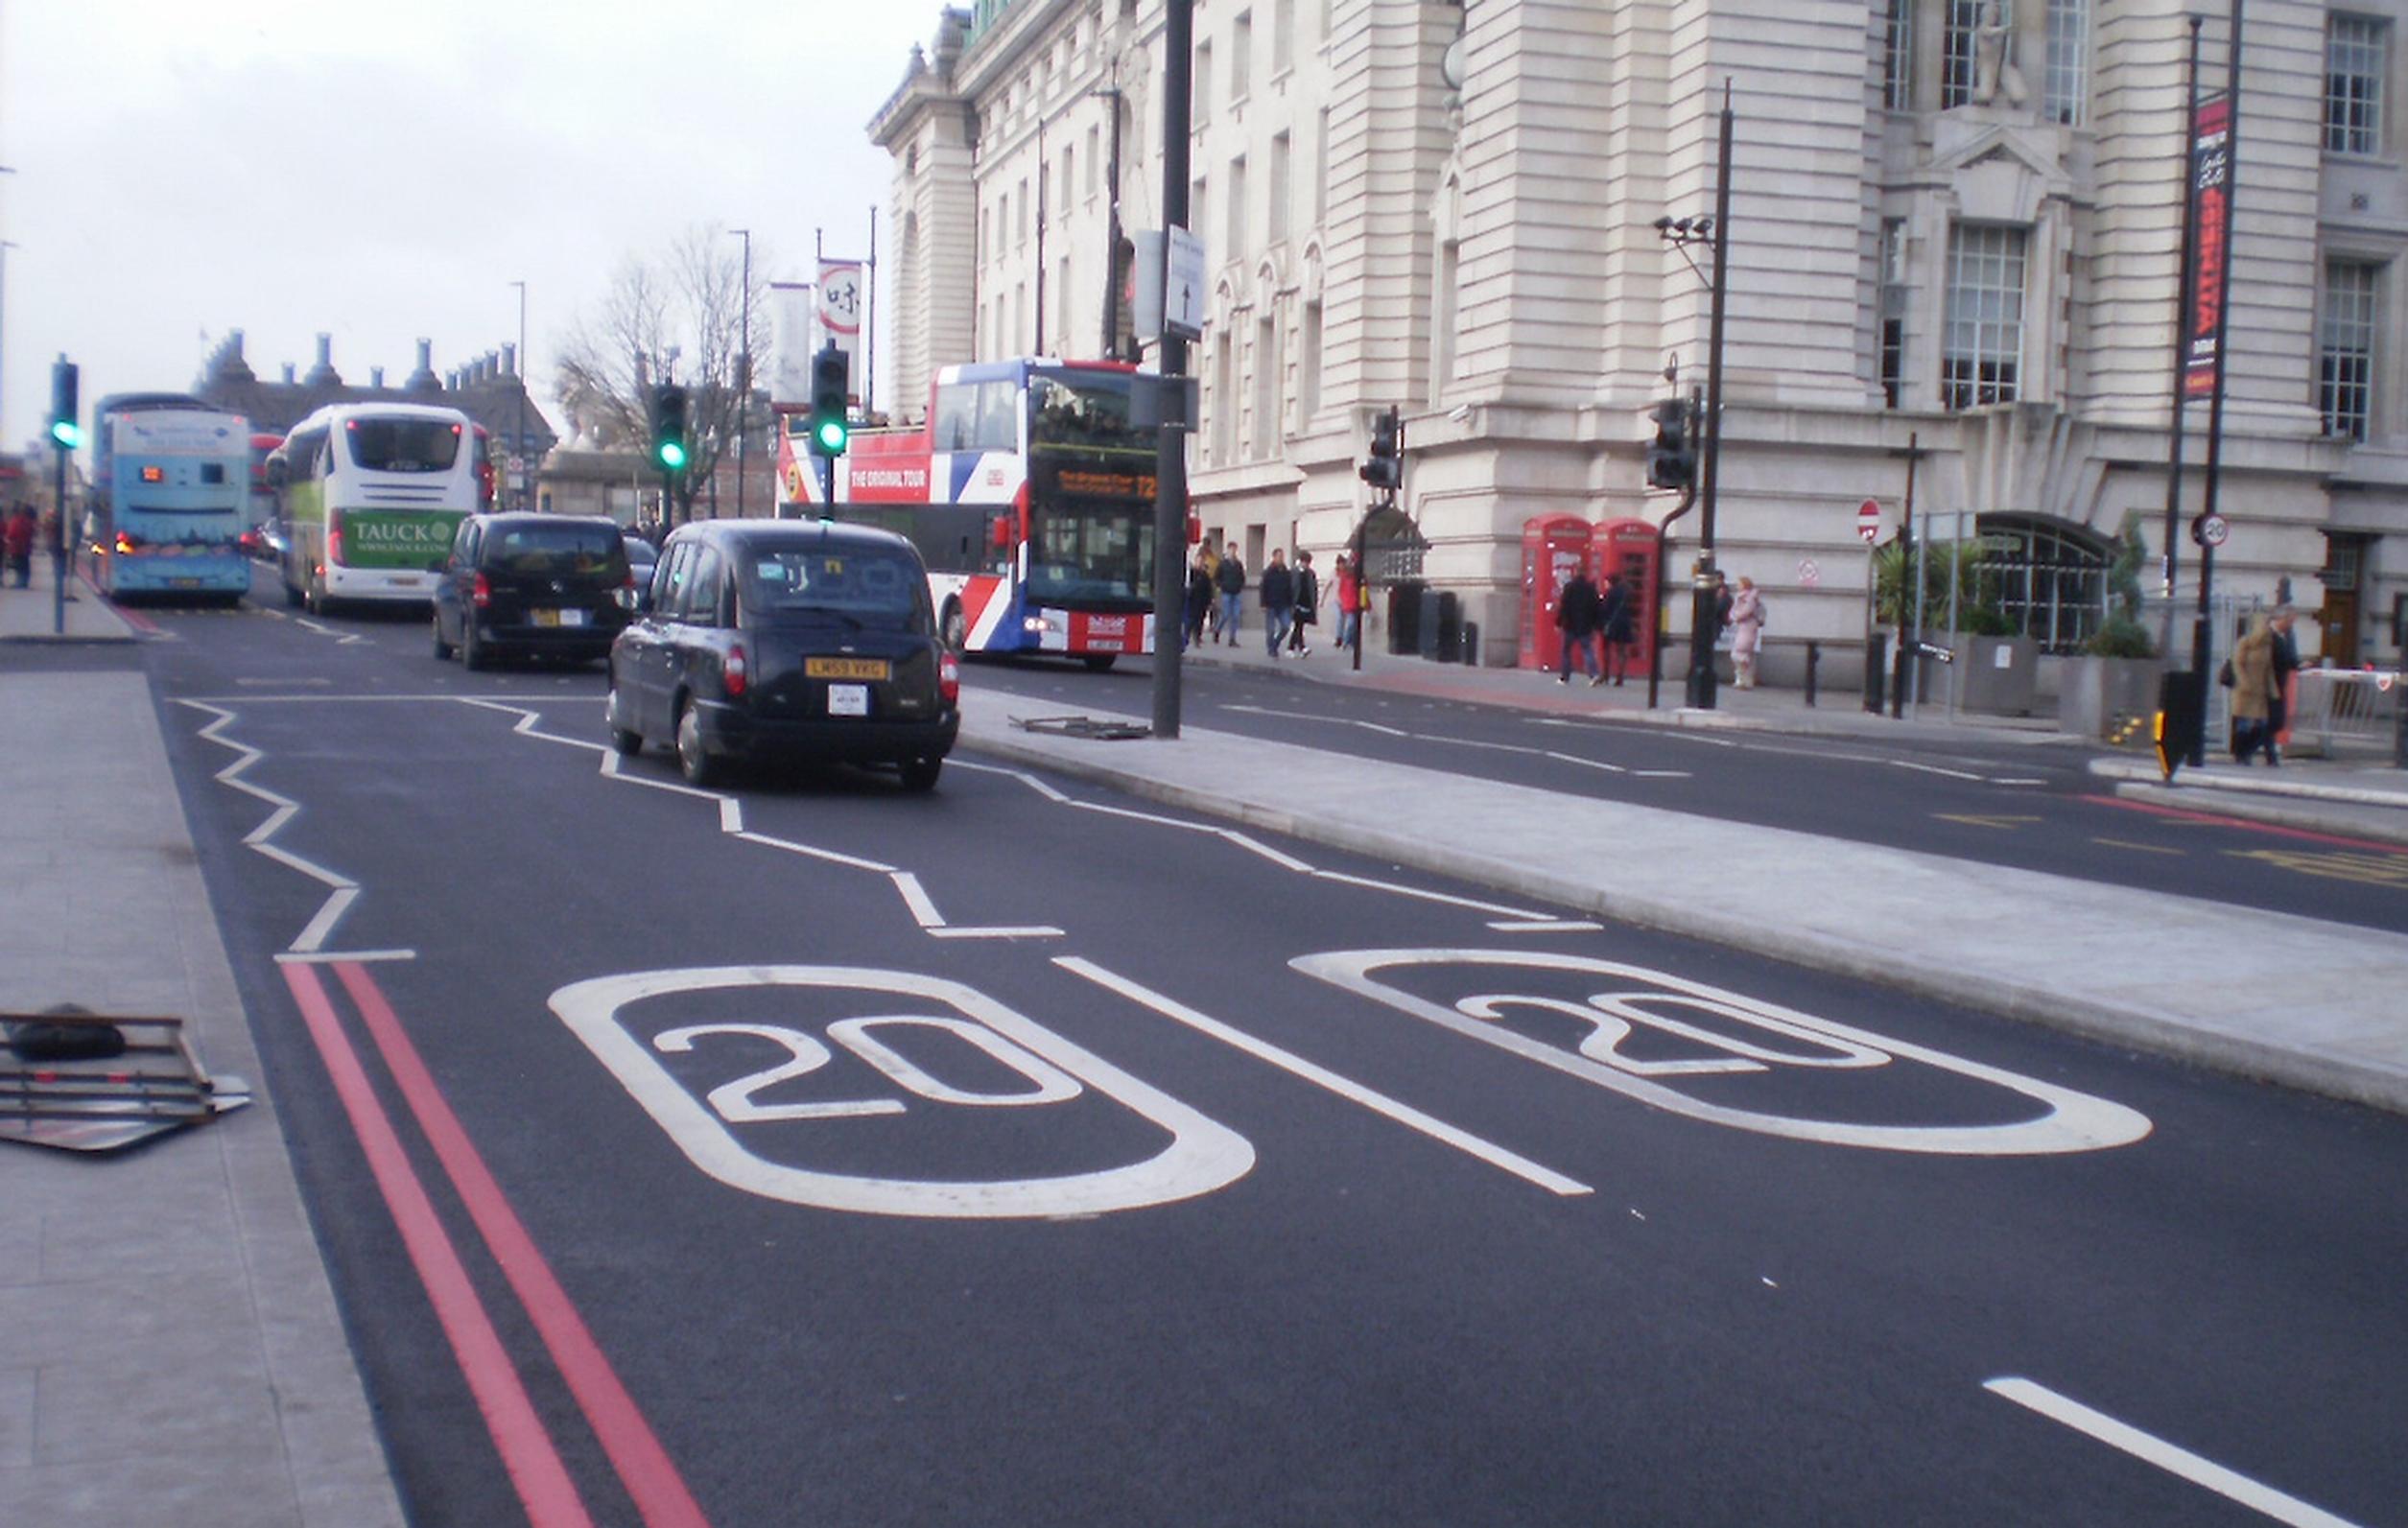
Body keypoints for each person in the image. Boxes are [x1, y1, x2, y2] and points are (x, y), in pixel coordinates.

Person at [2229, 612, 2280, 765]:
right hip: (2245, 691)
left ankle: (2248, 751)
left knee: (2262, 725)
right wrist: (2244, 682)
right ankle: (2240, 754)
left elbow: (2269, 670)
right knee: (2243, 724)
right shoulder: (2245, 642)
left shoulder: (2267, 646)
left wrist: (2273, 690)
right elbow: (2237, 663)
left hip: (2260, 692)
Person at [1554, 564, 1602, 685]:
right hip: (1585, 625)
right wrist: (1596, 625)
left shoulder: (1569, 587)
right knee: (1588, 650)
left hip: (1570, 624)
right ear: (1585, 574)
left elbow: (1563, 606)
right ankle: (1594, 674)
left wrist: (1558, 623)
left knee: (1566, 651)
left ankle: (1565, 677)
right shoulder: (1591, 588)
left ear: (1575, 573)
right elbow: (1596, 607)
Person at [2267, 606, 2302, 764]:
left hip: (2279, 683)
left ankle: (2269, 753)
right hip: (2267, 683)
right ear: (2281, 619)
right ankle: (2246, 748)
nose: (2291, 625)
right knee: (2272, 721)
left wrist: (2297, 664)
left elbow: (2288, 658)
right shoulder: (2269, 635)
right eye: (2290, 621)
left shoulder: (2285, 636)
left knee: (2276, 721)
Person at [1598, 571, 1637, 687]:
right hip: (1625, 624)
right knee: (1621, 650)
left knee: (1606, 649)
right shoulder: (1627, 592)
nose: (1605, 584)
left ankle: (1606, 674)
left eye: (1606, 582)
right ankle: (1620, 676)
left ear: (1610, 582)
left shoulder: (1610, 593)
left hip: (1611, 623)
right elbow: (1633, 609)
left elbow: (1605, 609)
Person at [1729, 575, 1766, 690]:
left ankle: (1743, 680)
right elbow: (1734, 610)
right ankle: (1743, 679)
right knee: (1741, 654)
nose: (1737, 586)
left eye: (1739, 583)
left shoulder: (1749, 598)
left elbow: (1745, 612)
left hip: (1748, 627)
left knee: (1740, 653)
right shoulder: (1741, 597)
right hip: (1744, 627)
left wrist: (1735, 616)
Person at [1259, 549, 1295, 659]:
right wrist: (1263, 603)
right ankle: (1271, 649)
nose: (1281, 558)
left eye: (1282, 556)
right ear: (1274, 558)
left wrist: (1291, 603)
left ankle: (1276, 643)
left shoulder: (1286, 573)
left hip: (1283, 604)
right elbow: (1263, 588)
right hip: (1270, 604)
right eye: (1279, 556)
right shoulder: (1268, 572)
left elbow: (1290, 589)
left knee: (1286, 626)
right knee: (1271, 630)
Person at [1287, 550, 1319, 656]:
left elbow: (1313, 589)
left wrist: (1314, 602)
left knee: (1300, 626)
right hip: (1296, 603)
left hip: (1306, 603)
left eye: (1308, 563)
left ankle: (1298, 648)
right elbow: (1290, 588)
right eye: (1305, 562)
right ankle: (1296, 647)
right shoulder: (1293, 572)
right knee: (1298, 625)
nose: (1306, 565)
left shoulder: (1311, 573)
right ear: (1300, 561)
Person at [1215, 546, 1247, 645]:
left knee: (1236, 616)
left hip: (1236, 592)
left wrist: (1241, 585)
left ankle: (1232, 638)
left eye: (1234, 550)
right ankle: (1217, 630)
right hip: (1226, 592)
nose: (1233, 552)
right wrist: (1220, 586)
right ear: (1227, 551)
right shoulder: (1223, 564)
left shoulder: (1238, 564)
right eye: (1231, 550)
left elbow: (1242, 576)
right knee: (1226, 614)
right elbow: (1217, 577)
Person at [1184, 550, 1216, 650]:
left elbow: (1209, 589)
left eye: (1202, 561)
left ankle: (1197, 638)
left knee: (1200, 620)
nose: (1200, 563)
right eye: (1198, 561)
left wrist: (1210, 601)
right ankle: (1187, 637)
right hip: (1192, 600)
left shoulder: (1205, 575)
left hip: (1202, 601)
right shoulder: (1191, 573)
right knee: (1191, 620)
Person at [1334, 552, 1363, 653]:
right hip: (1348, 602)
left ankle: (1349, 642)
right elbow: (1341, 590)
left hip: (1354, 601)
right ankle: (1345, 641)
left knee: (1353, 623)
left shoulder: (1356, 575)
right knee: (1350, 622)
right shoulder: (1344, 576)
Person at [3, 505, 35, 589]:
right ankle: (23, 582)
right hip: (25, 546)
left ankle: (19, 582)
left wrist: (8, 539)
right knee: (25, 564)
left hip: (16, 546)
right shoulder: (29, 521)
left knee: (18, 565)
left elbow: (11, 533)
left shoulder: (15, 521)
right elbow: (31, 532)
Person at [1197, 538, 1224, 641]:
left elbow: (1216, 563)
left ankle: (1212, 624)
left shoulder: (1211, 555)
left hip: (1211, 582)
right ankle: (1207, 627)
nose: (1208, 546)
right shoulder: (1203, 554)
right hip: (1207, 583)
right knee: (1208, 607)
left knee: (1212, 606)